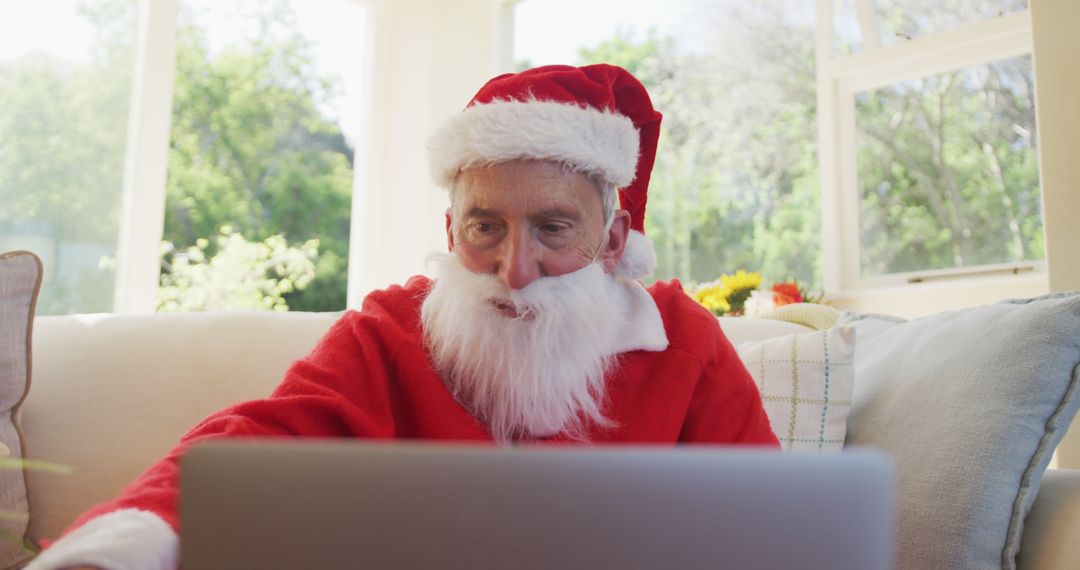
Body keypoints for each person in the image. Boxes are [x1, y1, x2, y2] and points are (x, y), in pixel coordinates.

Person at [28, 63, 779, 570]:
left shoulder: (684, 342)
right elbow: (246, 447)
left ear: (612, 241)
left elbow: (770, 529)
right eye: (485, 227)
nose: (515, 272)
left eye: (554, 229)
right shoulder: (390, 330)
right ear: (452, 234)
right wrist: (118, 547)